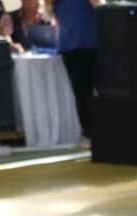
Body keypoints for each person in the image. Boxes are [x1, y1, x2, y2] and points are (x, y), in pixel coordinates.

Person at [49, 0, 102, 138]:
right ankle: (93, 131)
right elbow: (100, 9)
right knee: (93, 90)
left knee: (82, 93)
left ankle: (90, 131)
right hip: (86, 44)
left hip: (74, 46)